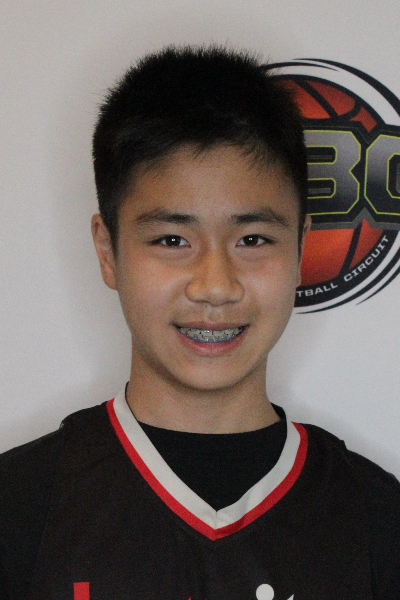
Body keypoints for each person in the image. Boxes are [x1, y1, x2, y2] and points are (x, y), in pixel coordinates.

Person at [0, 46, 399, 600]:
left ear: (301, 248)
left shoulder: (378, 521)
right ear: (108, 251)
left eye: (252, 239)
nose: (215, 285)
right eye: (172, 240)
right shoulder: (20, 508)